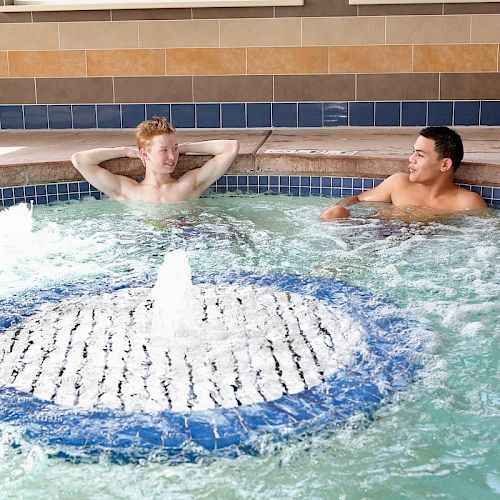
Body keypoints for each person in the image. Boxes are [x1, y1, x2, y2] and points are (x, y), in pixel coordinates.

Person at [320, 126, 487, 220]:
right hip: (374, 235)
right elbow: (357, 199)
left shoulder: (466, 203)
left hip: (416, 250)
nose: (411, 159)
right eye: (413, 152)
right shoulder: (399, 183)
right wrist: (341, 206)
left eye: (420, 155)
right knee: (334, 213)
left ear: (445, 165)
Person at [71, 116, 239, 204]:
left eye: (174, 149)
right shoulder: (128, 190)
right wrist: (124, 151)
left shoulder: (188, 185)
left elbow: (230, 147)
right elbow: (80, 160)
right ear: (145, 154)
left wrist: (186, 147)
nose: (172, 157)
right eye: (164, 151)